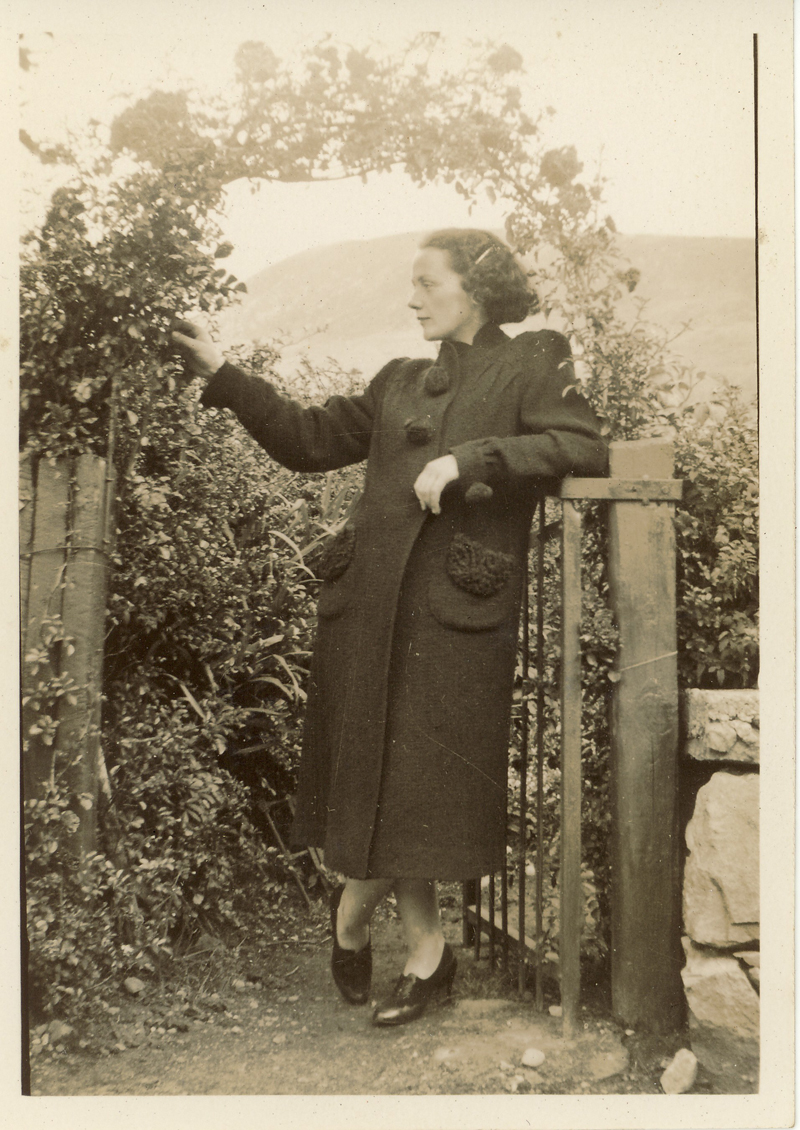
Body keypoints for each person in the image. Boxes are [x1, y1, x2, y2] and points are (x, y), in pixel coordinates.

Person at [173, 228, 607, 1027]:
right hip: (369, 610)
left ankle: (356, 921)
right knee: (380, 773)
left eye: (425, 283)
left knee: (416, 784)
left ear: (472, 288)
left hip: (454, 619)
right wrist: (221, 374)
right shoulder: (399, 379)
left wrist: (470, 459)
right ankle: (423, 954)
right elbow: (305, 441)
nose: (411, 299)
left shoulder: (534, 358)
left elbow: (583, 447)